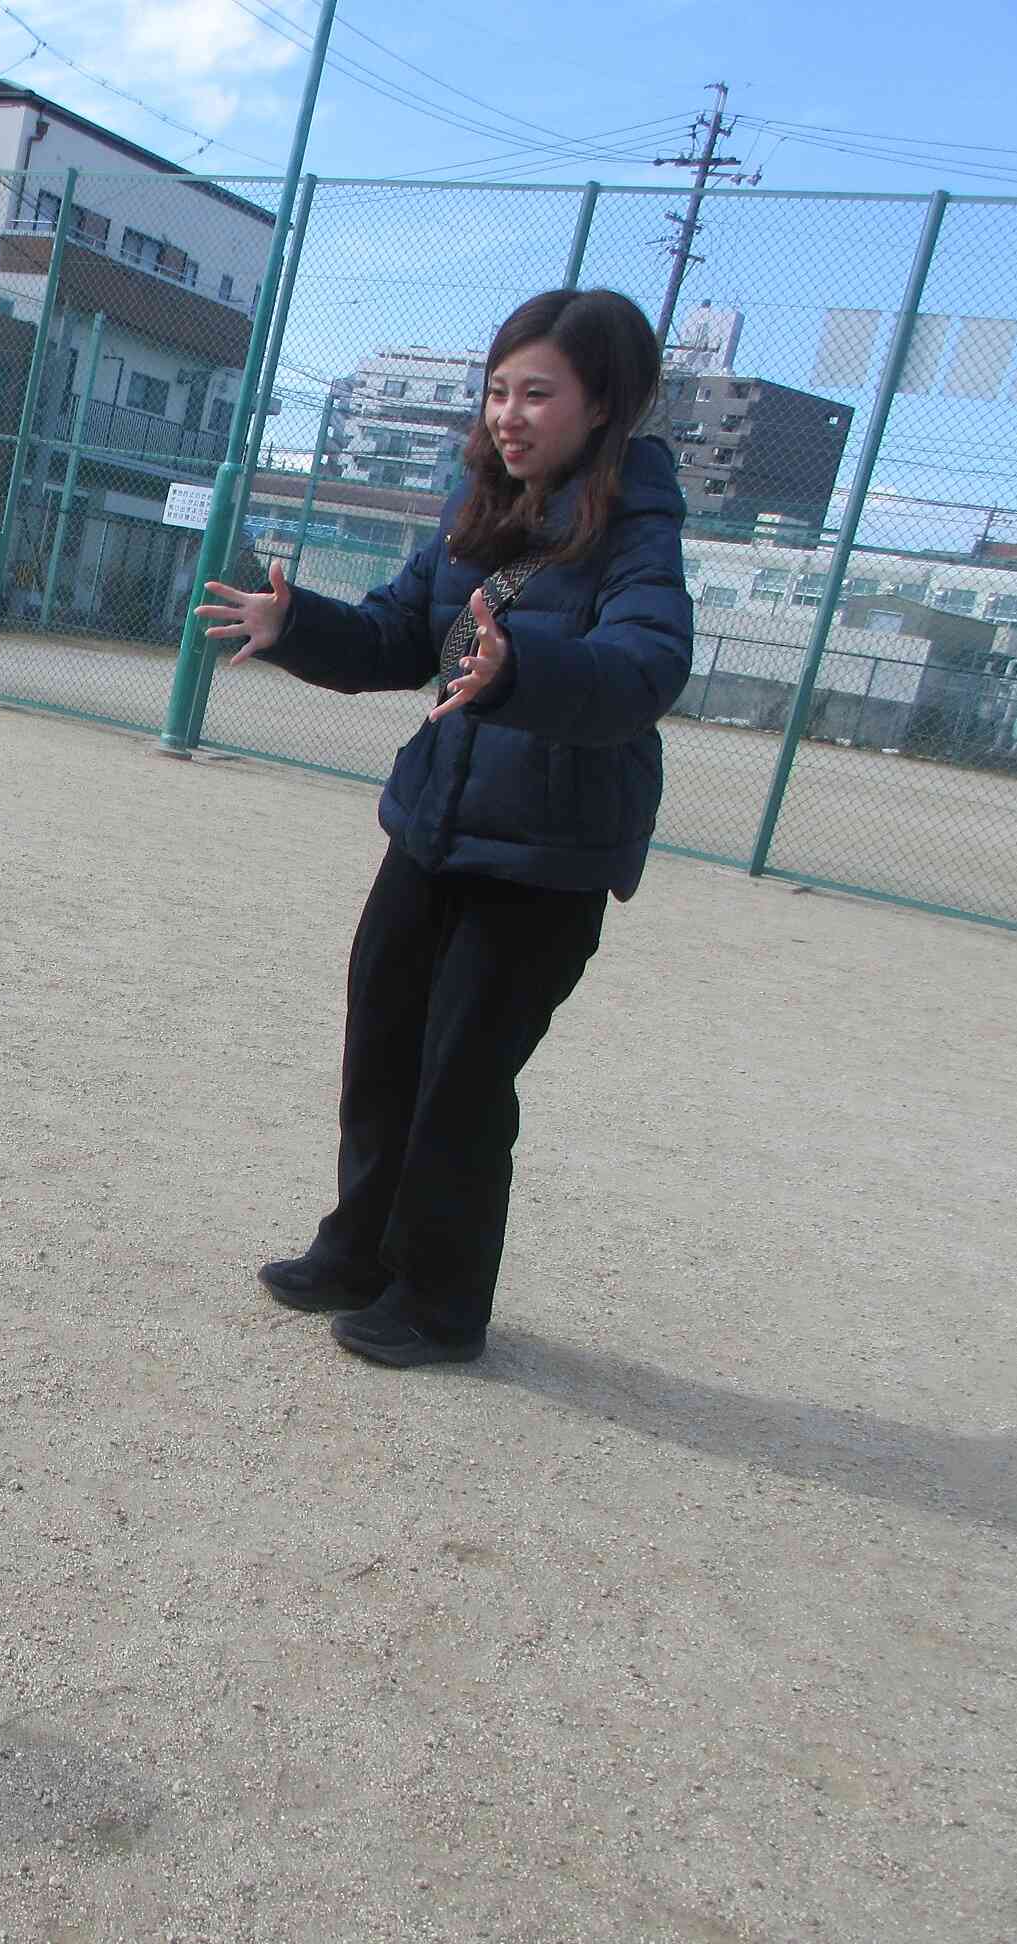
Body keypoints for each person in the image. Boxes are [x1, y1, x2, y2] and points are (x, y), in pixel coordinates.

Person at [193, 287, 693, 1369]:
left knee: (462, 1079)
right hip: (432, 828)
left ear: (602, 405)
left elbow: (644, 670)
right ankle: (360, 1250)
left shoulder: (638, 535)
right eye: (498, 391)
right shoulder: (477, 517)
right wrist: (296, 625)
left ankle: (440, 1300)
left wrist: (525, 672)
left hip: (544, 859)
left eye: (536, 394)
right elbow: (392, 637)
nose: (508, 415)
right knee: (381, 1045)